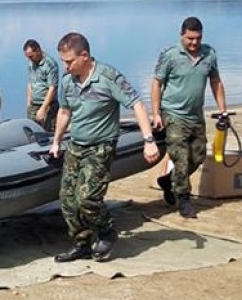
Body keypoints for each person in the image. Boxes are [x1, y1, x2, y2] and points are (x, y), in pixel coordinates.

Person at [50, 32, 160, 263]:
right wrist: (57, 141)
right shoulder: (68, 81)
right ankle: (82, 243)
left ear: (84, 56)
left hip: (100, 146)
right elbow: (64, 112)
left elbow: (137, 104)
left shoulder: (108, 77)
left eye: (69, 61)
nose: (65, 66)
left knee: (87, 198)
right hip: (75, 146)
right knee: (68, 200)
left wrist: (148, 141)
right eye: (63, 61)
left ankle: (107, 230)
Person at [150, 17, 227, 219]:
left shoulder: (209, 54)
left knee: (198, 156)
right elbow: (157, 83)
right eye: (190, 38)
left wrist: (223, 110)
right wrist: (156, 113)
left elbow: (216, 82)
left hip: (196, 114)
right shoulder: (170, 55)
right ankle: (183, 199)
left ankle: (168, 181)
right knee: (181, 158)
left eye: (198, 38)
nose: (194, 43)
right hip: (173, 114)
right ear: (182, 35)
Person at [23, 39, 59, 131]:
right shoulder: (31, 63)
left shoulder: (50, 64)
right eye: (27, 57)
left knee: (49, 132)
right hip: (34, 104)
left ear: (38, 50)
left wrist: (43, 108)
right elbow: (31, 83)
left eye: (31, 56)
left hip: (48, 105)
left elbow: (52, 88)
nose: (29, 59)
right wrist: (28, 103)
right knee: (31, 132)